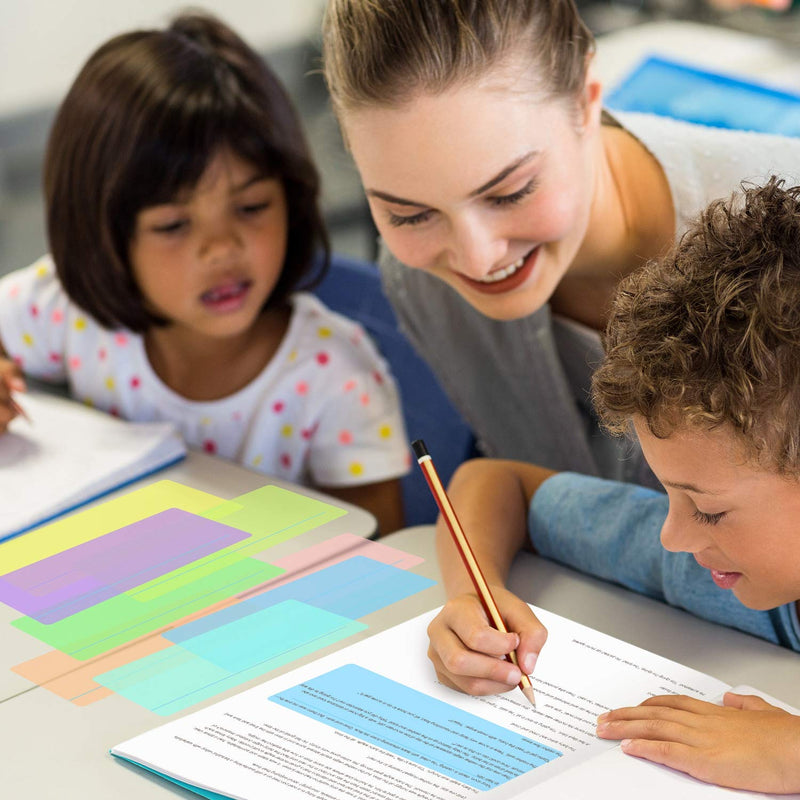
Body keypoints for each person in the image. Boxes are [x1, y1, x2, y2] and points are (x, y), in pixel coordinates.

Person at [321, 0, 800, 491]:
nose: (477, 258)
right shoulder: (419, 279)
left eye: (510, 192)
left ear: (585, 101)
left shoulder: (788, 243)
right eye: (409, 215)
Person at [424, 177, 800, 792]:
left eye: (707, 511)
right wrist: (475, 594)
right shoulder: (708, 568)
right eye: (670, 494)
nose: (671, 537)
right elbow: (499, 484)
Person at [0, 13, 409, 535]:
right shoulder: (69, 312)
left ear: (294, 197)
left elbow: (383, 558)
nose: (221, 248)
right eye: (173, 224)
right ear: (101, 234)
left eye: (252, 206)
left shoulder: (334, 379)